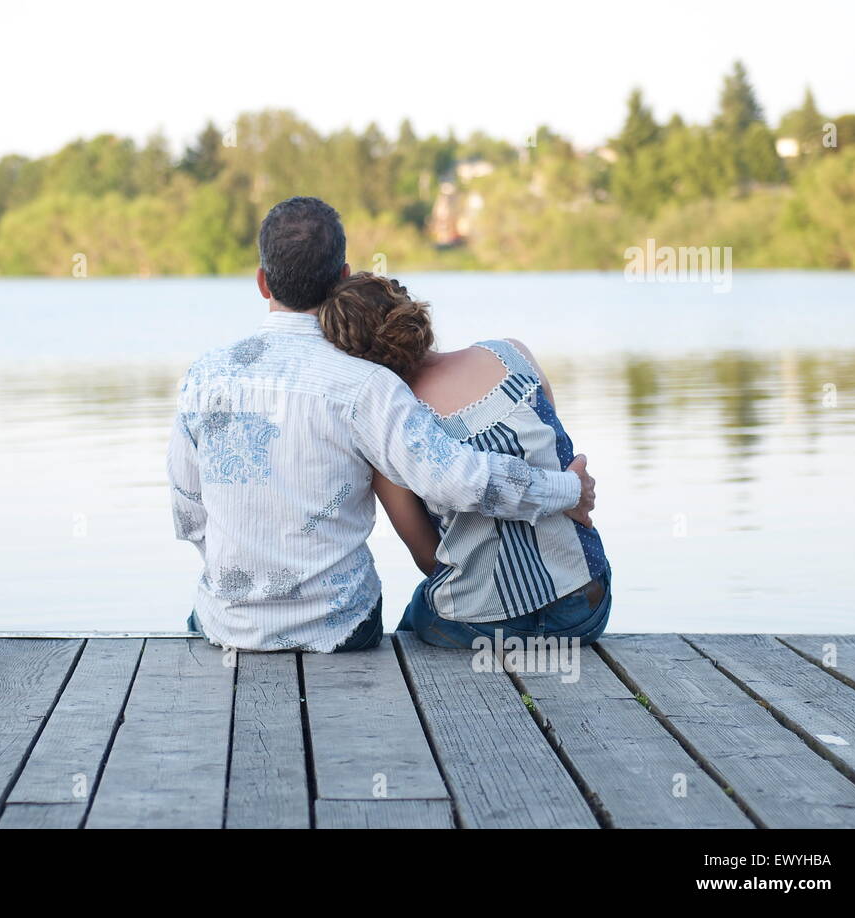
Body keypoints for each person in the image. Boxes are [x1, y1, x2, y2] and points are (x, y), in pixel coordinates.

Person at [166, 197, 594, 653]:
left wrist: (245, 587)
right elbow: (459, 480)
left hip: (229, 624)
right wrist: (566, 490)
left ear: (262, 282)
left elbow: (188, 511)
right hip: (339, 627)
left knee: (200, 621)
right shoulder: (368, 384)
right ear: (343, 277)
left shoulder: (204, 376)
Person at [317, 272, 610, 648]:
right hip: (585, 609)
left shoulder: (393, 431)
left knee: (417, 616)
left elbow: (428, 557)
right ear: (413, 314)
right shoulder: (512, 354)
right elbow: (556, 458)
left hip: (485, 627)